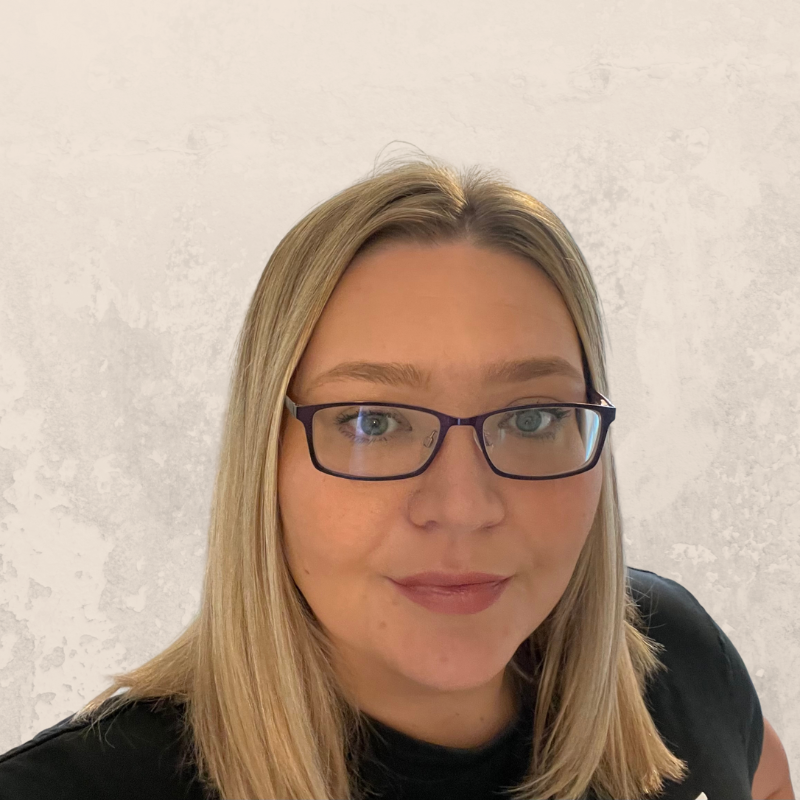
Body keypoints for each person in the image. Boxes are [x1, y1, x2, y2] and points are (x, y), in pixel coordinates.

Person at [0, 154, 793, 800]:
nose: (463, 506)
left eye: (530, 418)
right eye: (373, 423)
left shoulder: (671, 654)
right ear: (264, 459)